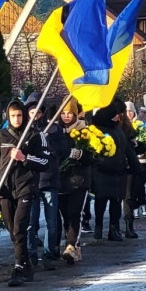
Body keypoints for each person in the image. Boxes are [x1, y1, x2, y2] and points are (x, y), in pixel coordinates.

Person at [0, 100, 50, 286]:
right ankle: (26, 262)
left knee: (20, 228)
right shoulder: (0, 136)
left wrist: (24, 158)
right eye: (13, 116)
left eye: (19, 115)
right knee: (13, 230)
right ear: (8, 116)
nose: (16, 119)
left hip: (26, 188)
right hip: (5, 190)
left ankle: (19, 267)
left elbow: (45, 162)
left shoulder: (35, 135)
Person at [89, 103, 140, 241]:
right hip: (102, 172)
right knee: (101, 201)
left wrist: (136, 165)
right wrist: (99, 163)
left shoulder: (118, 130)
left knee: (116, 202)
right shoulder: (97, 129)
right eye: (117, 113)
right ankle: (98, 227)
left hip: (118, 172)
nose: (120, 116)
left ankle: (114, 228)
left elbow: (126, 149)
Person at [27, 96, 64, 268]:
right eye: (32, 112)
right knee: (30, 222)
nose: (35, 115)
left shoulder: (54, 130)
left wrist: (49, 145)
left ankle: (49, 254)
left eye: (38, 112)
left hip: (49, 180)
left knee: (51, 222)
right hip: (32, 181)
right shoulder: (25, 133)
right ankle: (31, 255)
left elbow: (61, 150)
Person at [57, 98, 90, 264]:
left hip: (79, 180)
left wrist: (81, 155)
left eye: (70, 113)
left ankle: (71, 245)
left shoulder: (85, 131)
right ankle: (74, 246)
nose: (66, 116)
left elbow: (93, 156)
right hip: (61, 181)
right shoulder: (56, 131)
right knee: (65, 216)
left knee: (74, 212)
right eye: (63, 113)